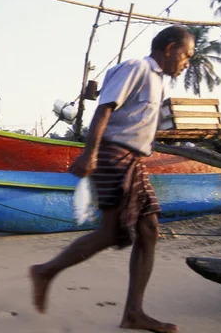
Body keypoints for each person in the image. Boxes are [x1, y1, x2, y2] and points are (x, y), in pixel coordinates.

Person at [29, 26, 195, 333]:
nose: (187, 63)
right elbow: (104, 109)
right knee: (111, 232)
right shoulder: (137, 67)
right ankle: (46, 271)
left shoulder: (158, 81)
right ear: (170, 48)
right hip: (114, 155)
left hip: (133, 160)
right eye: (186, 55)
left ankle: (134, 313)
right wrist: (90, 153)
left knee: (148, 229)